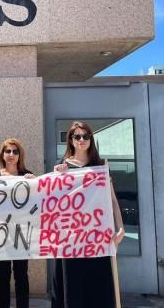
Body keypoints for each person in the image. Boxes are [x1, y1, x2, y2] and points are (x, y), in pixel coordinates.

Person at [51, 121, 125, 308]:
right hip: (71, 239)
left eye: (85, 136)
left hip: (96, 238)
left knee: (97, 287)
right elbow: (51, 197)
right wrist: (55, 175)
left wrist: (121, 228)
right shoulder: (61, 166)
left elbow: (112, 200)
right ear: (71, 140)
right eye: (77, 136)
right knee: (72, 287)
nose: (81, 140)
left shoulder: (100, 166)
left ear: (91, 139)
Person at [0, 138, 35, 308]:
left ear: (20, 155)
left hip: (22, 234)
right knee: (2, 275)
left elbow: (37, 202)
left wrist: (35, 182)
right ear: (2, 155)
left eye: (15, 151)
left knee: (21, 275)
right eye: (8, 151)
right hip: (2, 235)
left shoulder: (27, 175)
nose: (11, 155)